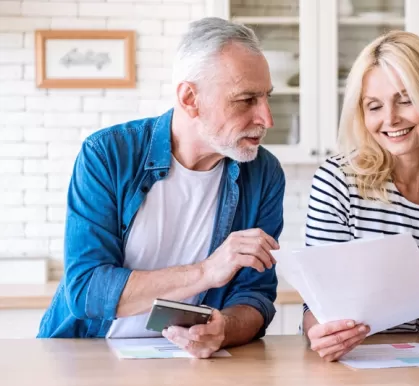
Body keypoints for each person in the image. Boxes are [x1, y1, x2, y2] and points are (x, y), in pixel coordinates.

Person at [37, 17, 285, 359]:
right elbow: (86, 291)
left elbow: (255, 296)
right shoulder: (108, 154)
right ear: (190, 98)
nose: (267, 118)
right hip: (88, 354)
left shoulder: (263, 172)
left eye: (266, 97)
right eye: (246, 100)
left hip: (190, 364)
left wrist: (223, 329)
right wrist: (205, 272)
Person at [301, 31, 419, 362]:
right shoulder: (339, 181)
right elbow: (316, 310)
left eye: (405, 100)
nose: (390, 119)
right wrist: (320, 333)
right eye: (374, 106)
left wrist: (408, 279)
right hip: (351, 362)